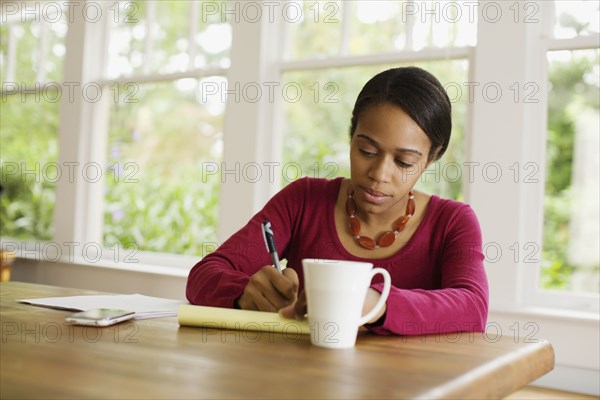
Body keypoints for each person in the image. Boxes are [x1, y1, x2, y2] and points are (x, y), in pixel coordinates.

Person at [186, 66, 488, 335]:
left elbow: (473, 307)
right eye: (367, 151)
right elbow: (204, 275)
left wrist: (374, 302)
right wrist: (244, 292)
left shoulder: (453, 222)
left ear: (431, 158)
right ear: (351, 137)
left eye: (404, 162)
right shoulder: (303, 200)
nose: (379, 173)